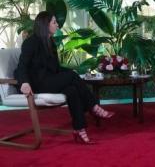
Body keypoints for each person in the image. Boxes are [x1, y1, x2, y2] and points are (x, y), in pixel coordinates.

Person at [14, 11, 114, 144]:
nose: (57, 25)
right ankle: (93, 106)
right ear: (45, 25)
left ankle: (80, 129)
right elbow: (22, 66)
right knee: (72, 77)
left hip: (49, 80)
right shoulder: (31, 42)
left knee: (72, 89)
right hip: (36, 84)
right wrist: (24, 83)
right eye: (54, 22)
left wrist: (71, 71)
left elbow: (56, 68)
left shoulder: (50, 43)